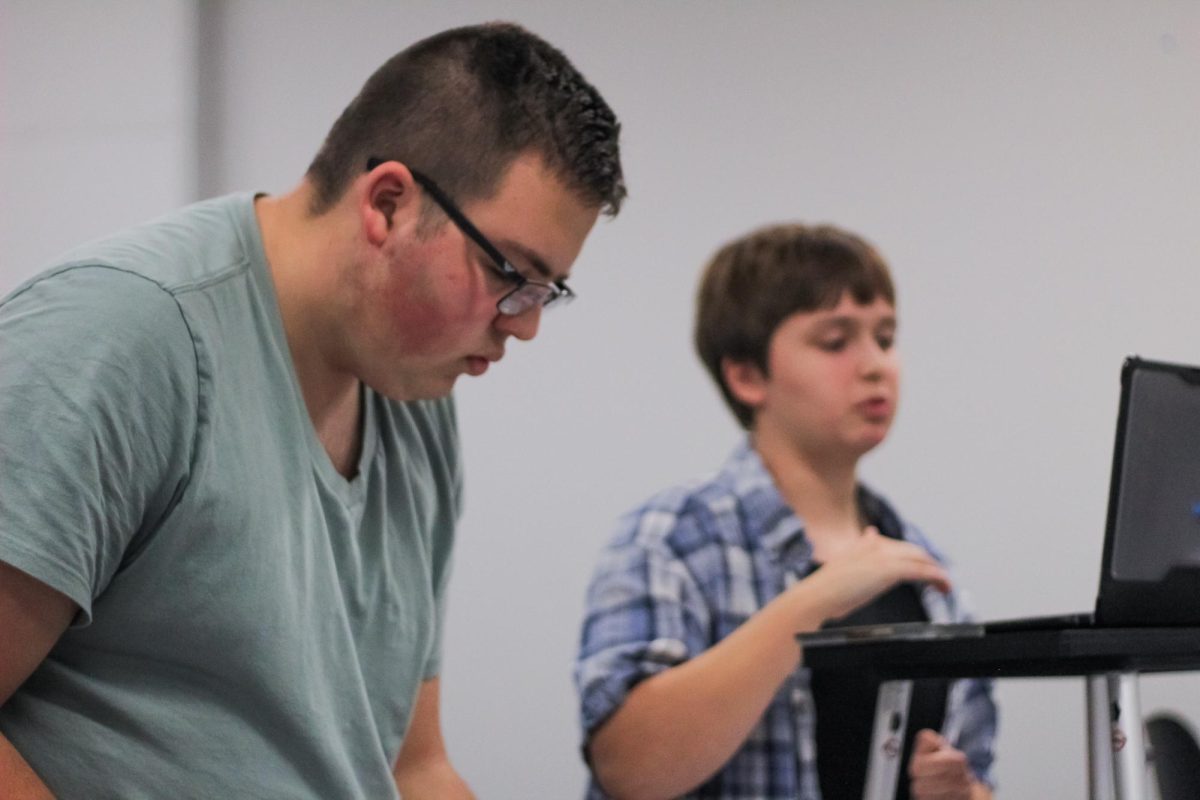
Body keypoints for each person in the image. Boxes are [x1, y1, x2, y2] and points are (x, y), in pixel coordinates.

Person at [0, 22, 624, 799]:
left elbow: (411, 765)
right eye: (510, 275)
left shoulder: (414, 400)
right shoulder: (123, 338)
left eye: (545, 294)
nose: (523, 324)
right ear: (389, 203)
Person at [575, 224, 996, 800]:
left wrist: (964, 795)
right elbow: (629, 769)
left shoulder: (924, 568)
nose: (876, 365)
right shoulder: (673, 537)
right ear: (747, 375)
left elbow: (982, 771)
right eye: (835, 341)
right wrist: (816, 598)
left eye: (886, 337)